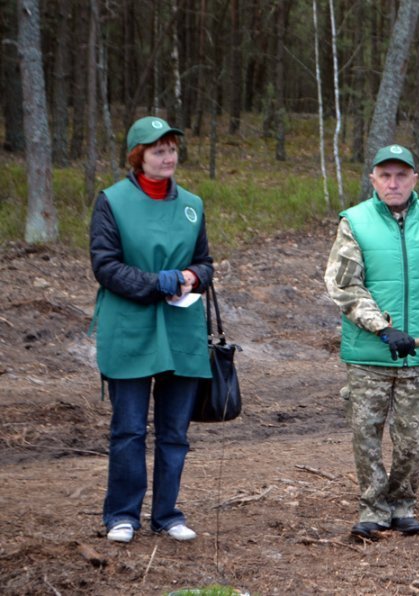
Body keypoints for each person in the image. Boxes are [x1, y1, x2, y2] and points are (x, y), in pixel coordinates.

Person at [324, 144, 419, 541]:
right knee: (366, 436)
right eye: (386, 175)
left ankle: (402, 503)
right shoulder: (354, 222)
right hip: (370, 354)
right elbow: (344, 286)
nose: (394, 183)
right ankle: (372, 507)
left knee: (415, 439)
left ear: (414, 179)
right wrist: (382, 328)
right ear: (373, 179)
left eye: (401, 175)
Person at [89, 116, 213, 544]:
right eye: (158, 150)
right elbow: (105, 265)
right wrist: (156, 282)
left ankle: (167, 514)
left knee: (174, 432)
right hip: (130, 326)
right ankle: (122, 515)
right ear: (138, 156)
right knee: (129, 429)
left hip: (181, 327)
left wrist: (193, 277)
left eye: (172, 149)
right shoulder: (113, 201)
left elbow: (205, 262)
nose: (168, 157)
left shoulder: (192, 204)